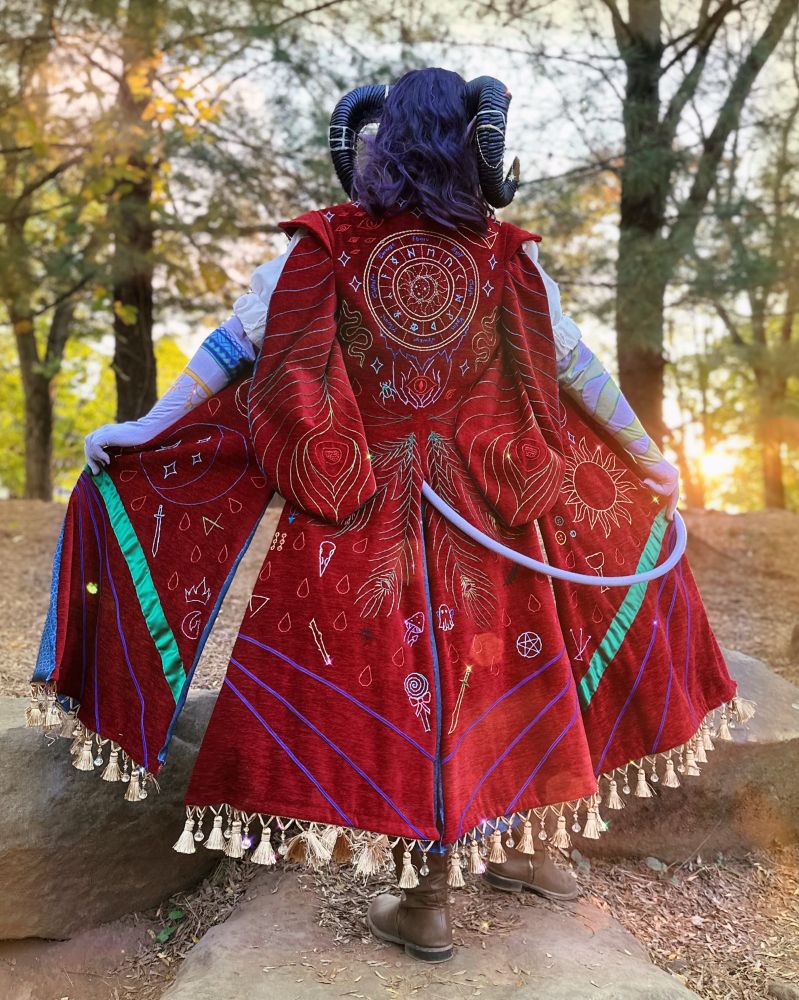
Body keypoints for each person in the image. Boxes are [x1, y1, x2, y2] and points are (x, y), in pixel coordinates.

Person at [28, 68, 749, 965]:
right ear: (474, 144)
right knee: (502, 670)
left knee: (392, 693)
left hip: (356, 510)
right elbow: (572, 369)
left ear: (379, 143)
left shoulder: (325, 247)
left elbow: (236, 345)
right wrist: (647, 458)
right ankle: (523, 851)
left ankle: (429, 901)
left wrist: (148, 427)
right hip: (488, 516)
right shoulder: (505, 256)